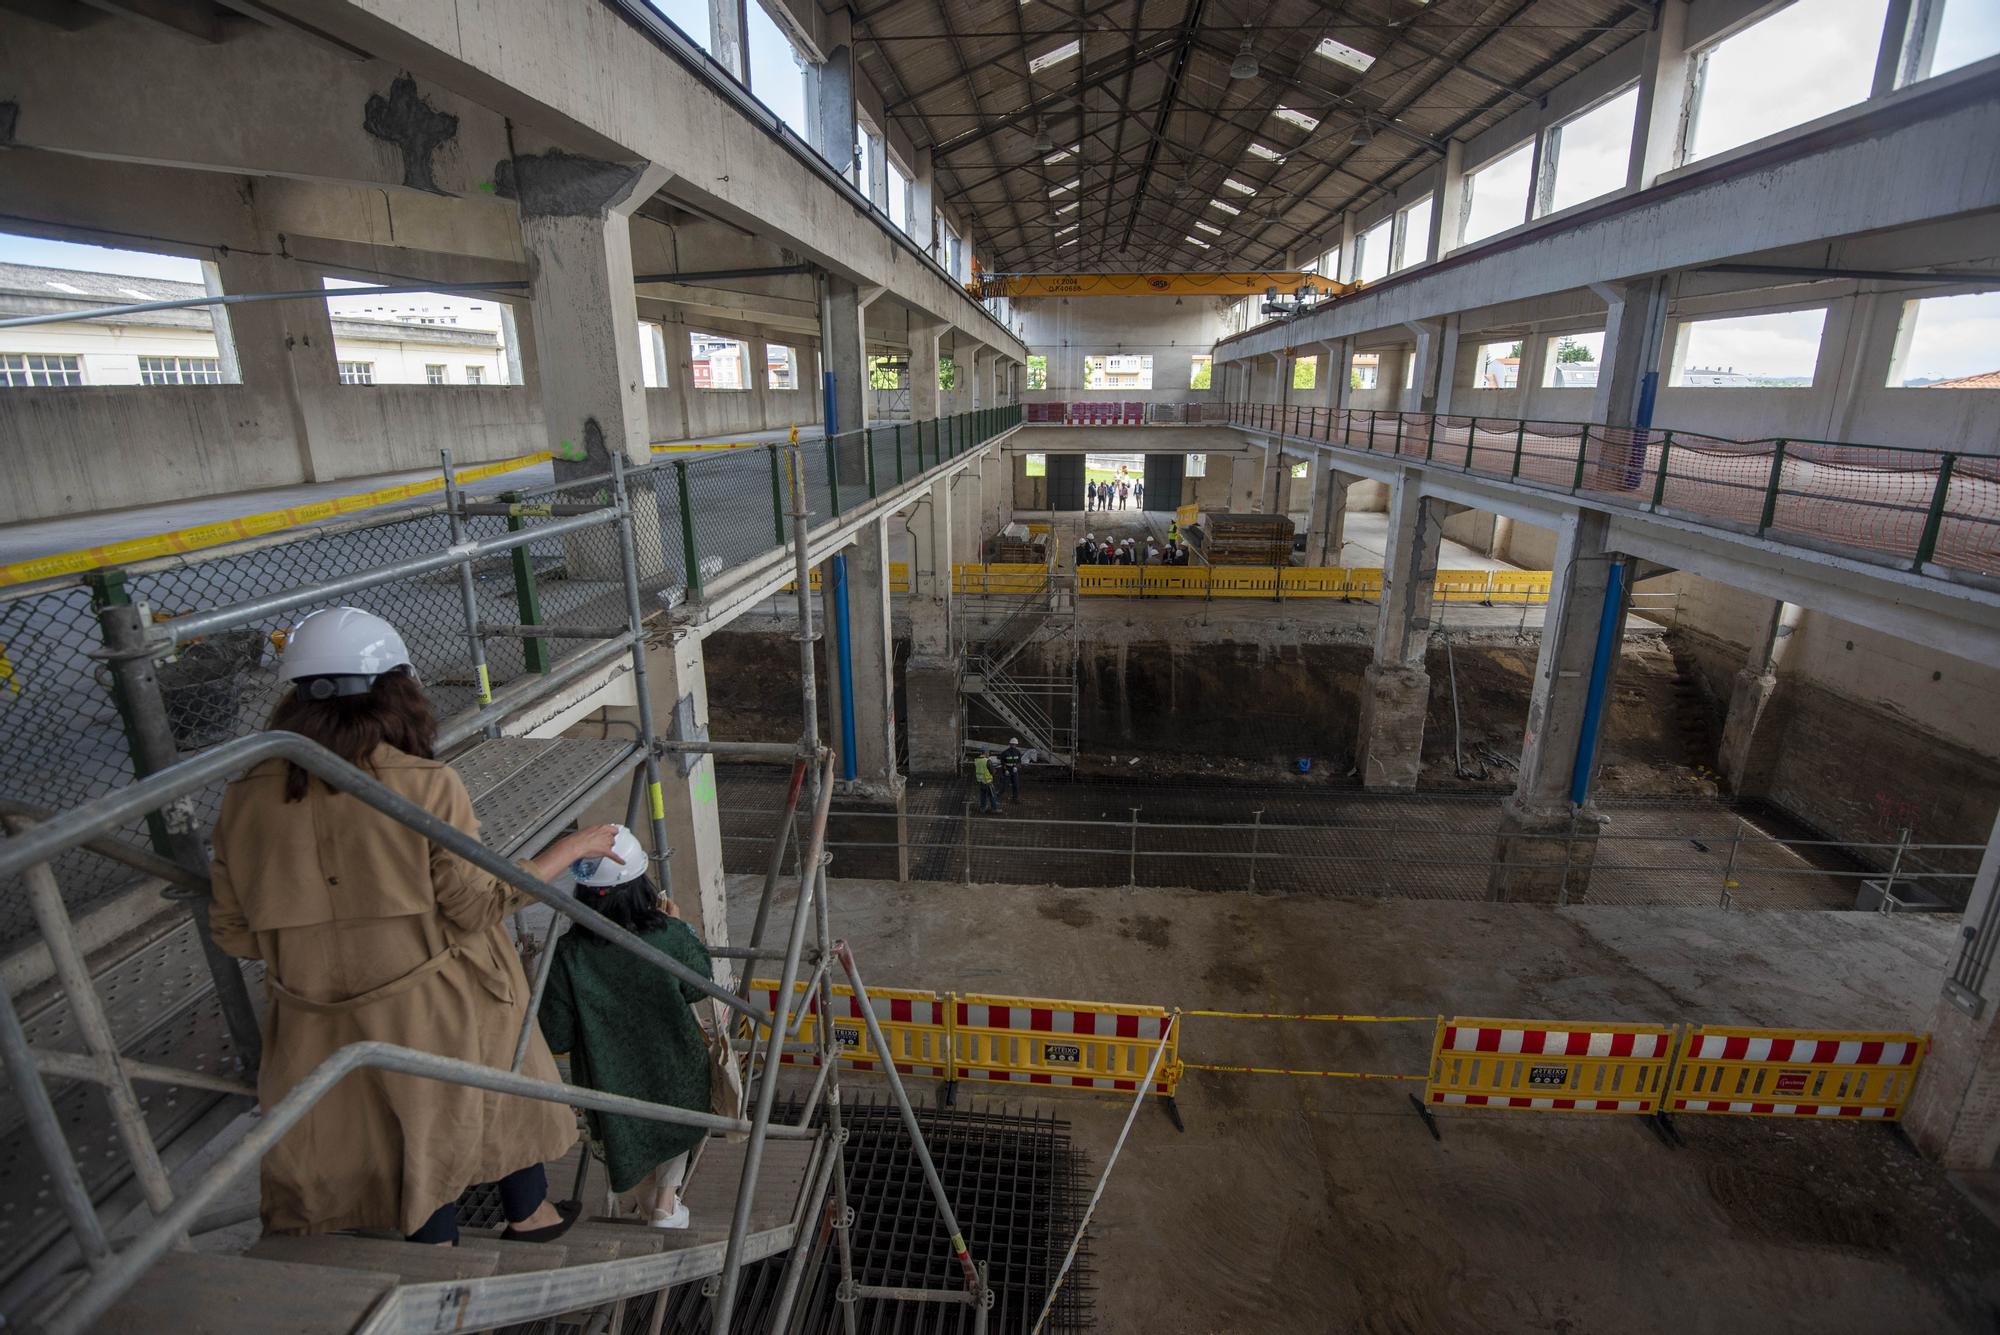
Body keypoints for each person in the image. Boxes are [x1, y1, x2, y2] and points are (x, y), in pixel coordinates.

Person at [209, 607, 602, 1244]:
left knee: (389, 1126)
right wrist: (567, 850)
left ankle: (441, 1245)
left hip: (314, 1014)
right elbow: (475, 906)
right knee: (479, 1080)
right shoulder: (423, 784)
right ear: (398, 689)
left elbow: (233, 931)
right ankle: (525, 1215)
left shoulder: (245, 794)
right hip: (437, 999)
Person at [538, 826, 712, 1230]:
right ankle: (665, 1204)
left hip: (607, 1073)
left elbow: (557, 1034)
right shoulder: (667, 937)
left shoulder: (568, 955)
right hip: (673, 1062)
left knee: (624, 1130)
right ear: (641, 888)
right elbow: (698, 980)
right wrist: (679, 927)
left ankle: (649, 1201)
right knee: (674, 1118)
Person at [999, 738, 1023, 802]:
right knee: (1004, 785)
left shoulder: (1018, 752)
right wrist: (1005, 770)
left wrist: (1016, 767)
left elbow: (1019, 762)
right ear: (1010, 744)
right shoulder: (1005, 752)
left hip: (1014, 771)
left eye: (1014, 744)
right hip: (1007, 770)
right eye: (1012, 744)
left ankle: (1015, 798)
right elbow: (1002, 762)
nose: (1013, 746)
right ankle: (998, 796)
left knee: (1016, 785)